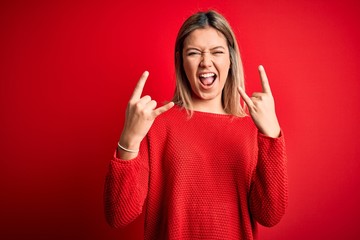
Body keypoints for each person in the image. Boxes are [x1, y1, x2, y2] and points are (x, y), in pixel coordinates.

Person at [104, 10, 288, 240]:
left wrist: (271, 136)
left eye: (217, 52)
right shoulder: (156, 125)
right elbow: (119, 215)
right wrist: (128, 139)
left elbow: (270, 215)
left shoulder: (253, 128)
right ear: (181, 60)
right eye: (194, 53)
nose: (206, 62)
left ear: (230, 59)